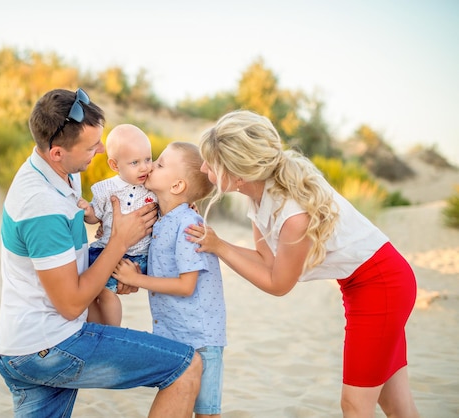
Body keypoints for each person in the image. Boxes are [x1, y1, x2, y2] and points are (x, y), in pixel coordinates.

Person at [185, 110, 420, 418]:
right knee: (395, 404)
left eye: (211, 165)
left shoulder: (293, 215)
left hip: (381, 284)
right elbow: (265, 261)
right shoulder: (258, 195)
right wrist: (218, 245)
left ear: (239, 174)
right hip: (364, 284)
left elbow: (279, 284)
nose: (204, 169)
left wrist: (219, 246)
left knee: (354, 404)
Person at [0, 88, 202, 418]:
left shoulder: (60, 173)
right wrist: (120, 240)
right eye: (92, 146)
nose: (101, 150)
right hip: (50, 347)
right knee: (188, 365)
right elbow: (71, 302)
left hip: (27, 343)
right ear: (58, 152)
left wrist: (116, 274)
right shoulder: (41, 206)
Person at [114, 141, 227, 418]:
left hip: (200, 336)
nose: (151, 166)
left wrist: (136, 280)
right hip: (175, 334)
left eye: (160, 164)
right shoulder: (165, 218)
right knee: (180, 403)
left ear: (177, 186)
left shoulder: (188, 224)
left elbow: (186, 286)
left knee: (206, 413)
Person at [78, 123, 157, 326]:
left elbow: (172, 202)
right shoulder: (107, 190)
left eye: (148, 159)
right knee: (82, 279)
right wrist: (89, 212)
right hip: (105, 249)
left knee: (104, 291)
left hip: (137, 256)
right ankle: (95, 326)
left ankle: (114, 331)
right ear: (115, 165)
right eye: (135, 162)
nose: (144, 167)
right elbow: (97, 217)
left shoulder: (152, 185)